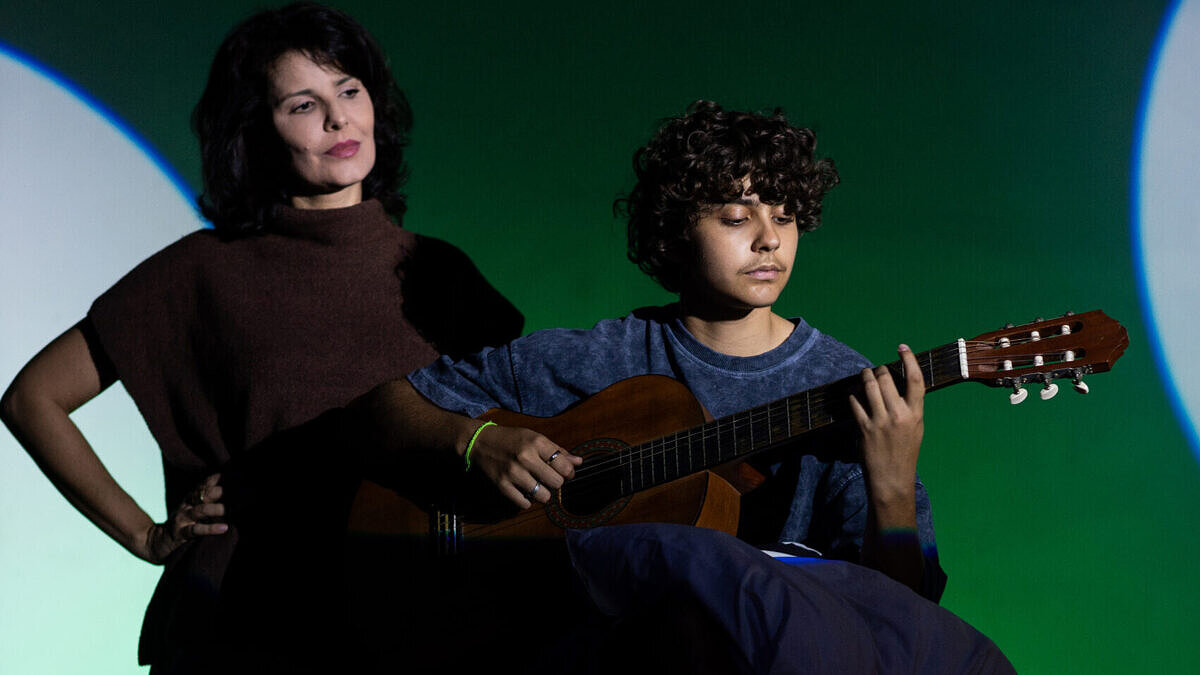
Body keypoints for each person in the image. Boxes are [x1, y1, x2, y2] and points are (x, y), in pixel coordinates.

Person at [350, 101, 1014, 672]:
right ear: (675, 230)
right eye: (735, 218)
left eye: (784, 217)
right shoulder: (609, 355)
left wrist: (892, 483)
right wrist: (476, 443)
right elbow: (387, 408)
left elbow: (899, 624)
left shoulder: (841, 385)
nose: (767, 241)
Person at [0, 3, 521, 673]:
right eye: (303, 104)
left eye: (350, 89)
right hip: (248, 618)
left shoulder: (441, 271)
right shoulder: (201, 271)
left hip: (412, 618)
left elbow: (514, 433)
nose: (338, 118)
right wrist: (146, 534)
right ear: (255, 131)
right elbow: (31, 398)